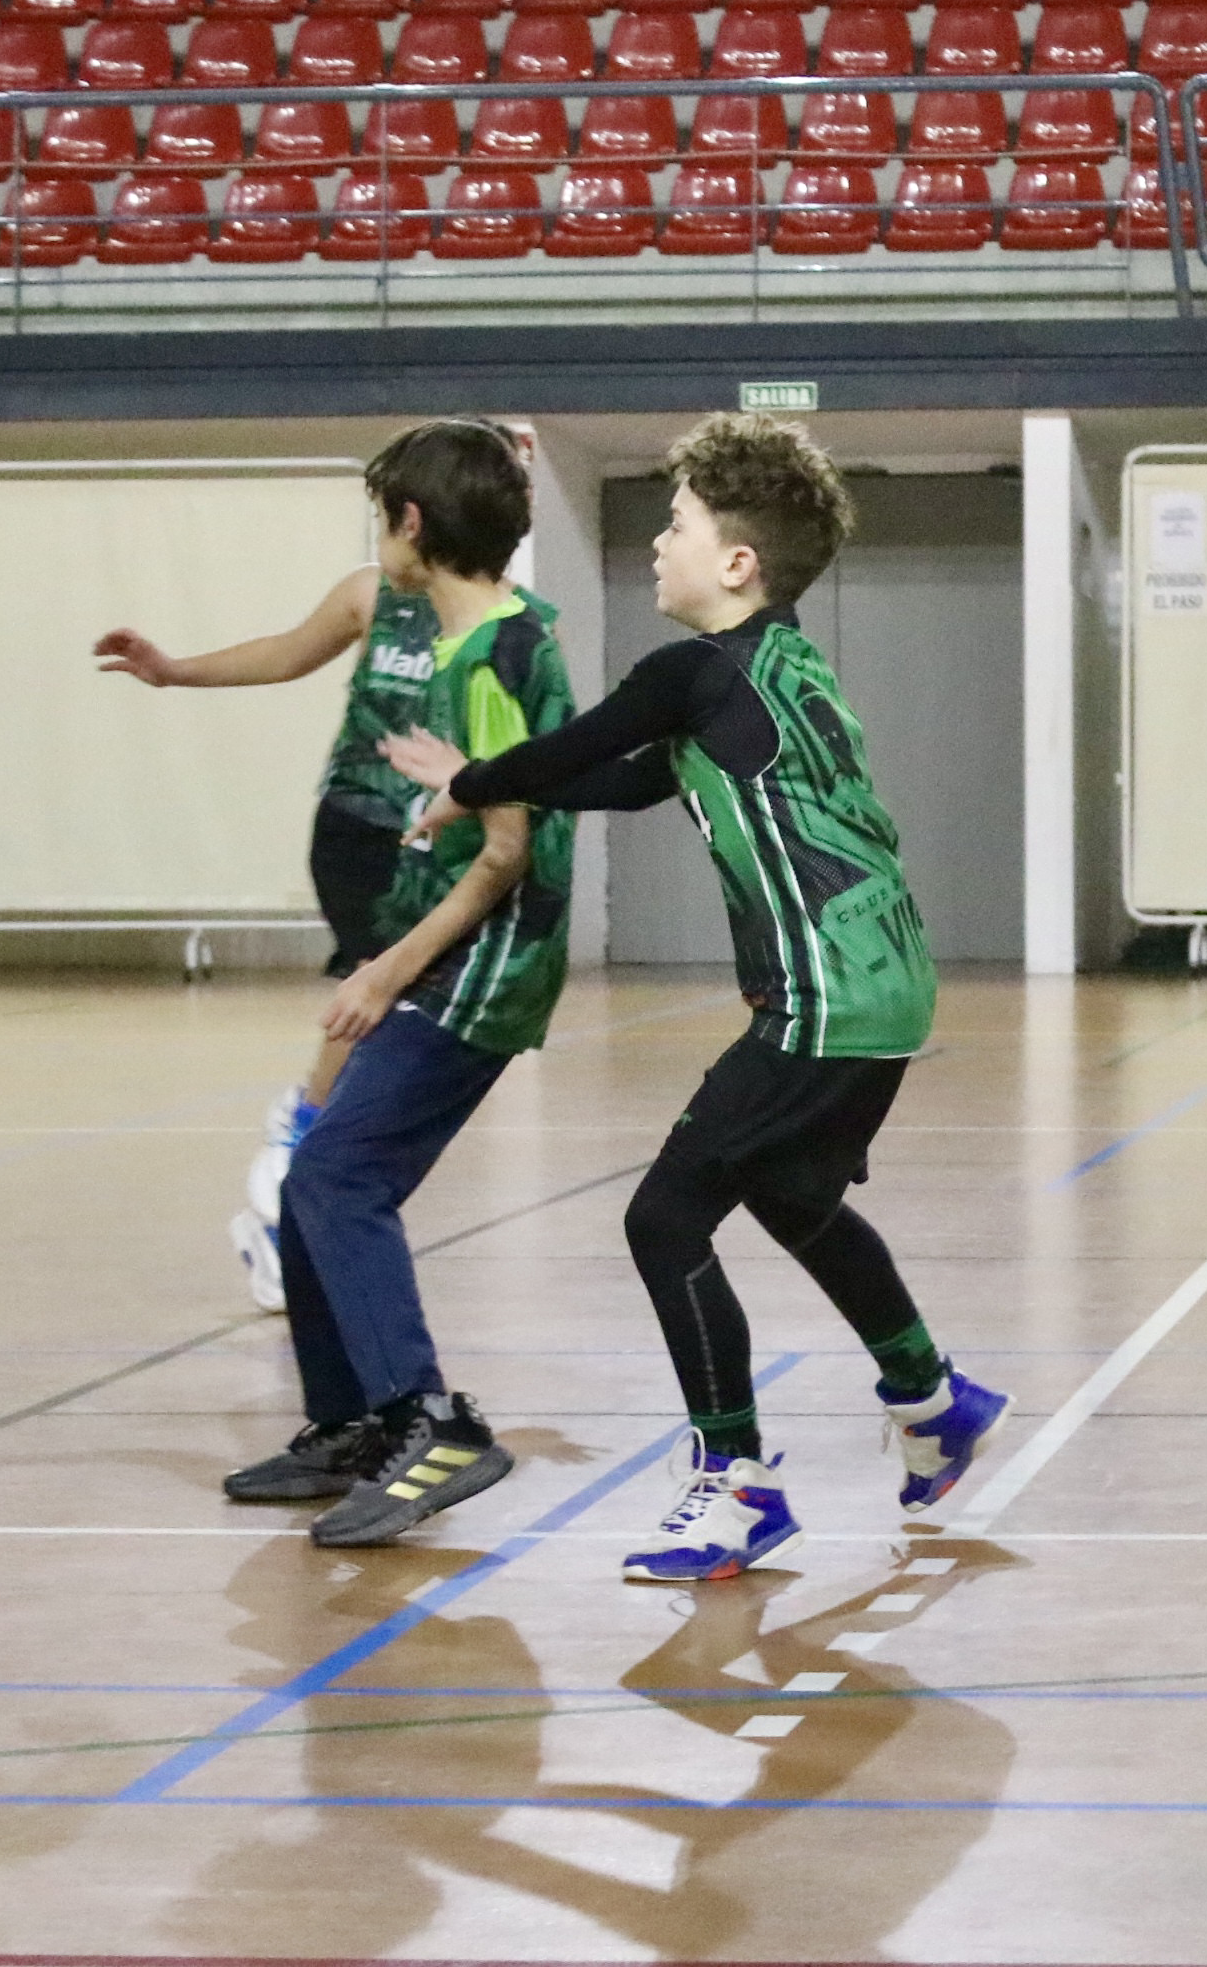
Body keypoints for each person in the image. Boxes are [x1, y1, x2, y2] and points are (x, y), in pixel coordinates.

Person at [385, 413, 1011, 1583]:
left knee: (663, 1220)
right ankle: (932, 1399)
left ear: (737, 564)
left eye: (675, 526)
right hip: (886, 981)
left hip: (824, 990)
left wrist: (468, 781)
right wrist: (484, 784)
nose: (657, 545)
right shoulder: (775, 671)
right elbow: (626, 778)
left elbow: (578, 745)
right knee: (791, 1196)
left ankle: (737, 1486)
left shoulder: (692, 672)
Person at [135, 426, 576, 1546]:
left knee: (337, 1178)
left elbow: (509, 853)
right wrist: (456, 794)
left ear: (411, 527)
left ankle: (432, 1419)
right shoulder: (505, 633)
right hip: (449, 935)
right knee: (310, 1179)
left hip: (483, 958)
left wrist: (388, 965)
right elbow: (504, 798)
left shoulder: (486, 656)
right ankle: (348, 1424)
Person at [92, 458, 459, 1317]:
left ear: (417, 520)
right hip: (359, 831)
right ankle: (294, 1152)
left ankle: (306, 1148)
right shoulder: (371, 596)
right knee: (375, 983)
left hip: (443, 835)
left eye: (383, 521)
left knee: (408, 1014)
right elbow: (287, 654)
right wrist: (175, 669)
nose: (378, 539)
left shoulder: (509, 626)